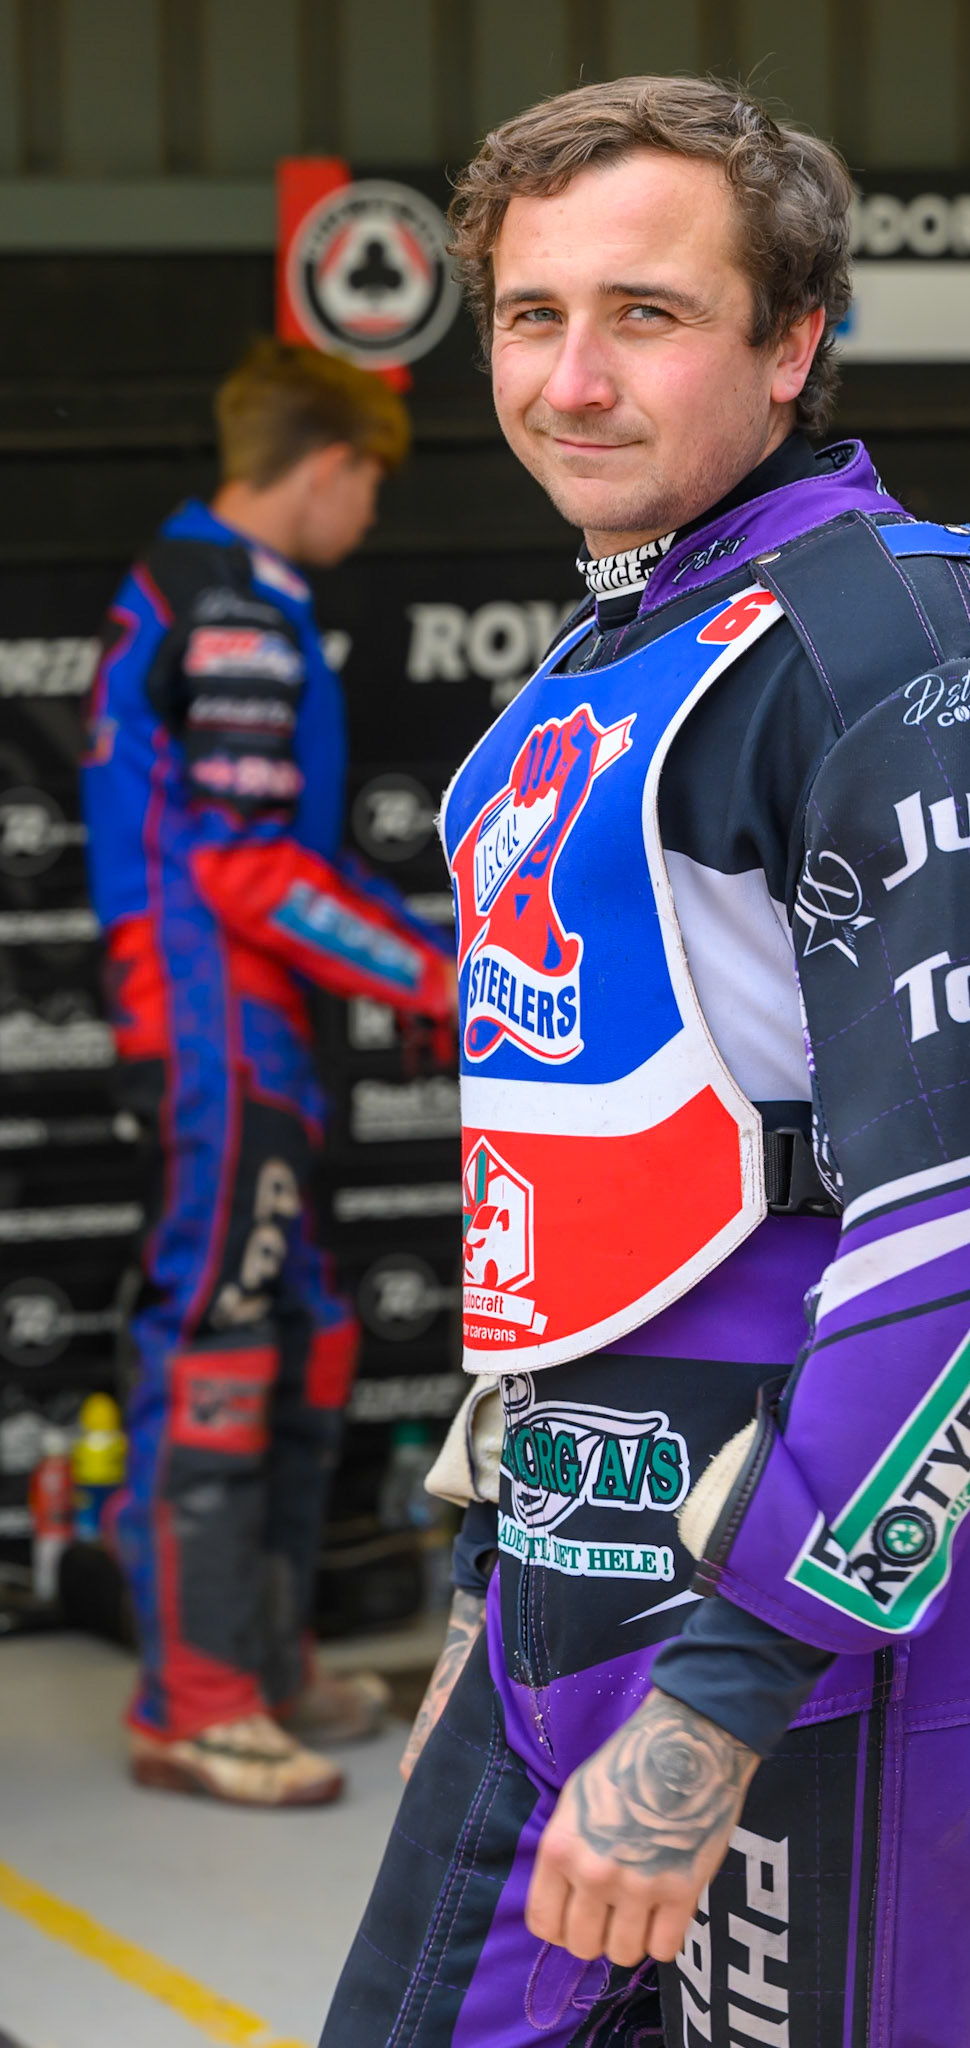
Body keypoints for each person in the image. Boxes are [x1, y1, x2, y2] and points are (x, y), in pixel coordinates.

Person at [323, 77, 970, 2047]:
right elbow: (594, 1197)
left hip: (814, 1658)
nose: (570, 377)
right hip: (560, 1595)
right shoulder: (620, 650)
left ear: (790, 344)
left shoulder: (909, 655)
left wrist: (711, 1703)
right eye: (531, 316)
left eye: (646, 314)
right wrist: (487, 1580)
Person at [81, 341, 459, 1807]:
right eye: (368, 487)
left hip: (243, 1031)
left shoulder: (204, 585)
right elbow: (245, 864)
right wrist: (429, 970)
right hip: (215, 1028)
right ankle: (197, 1698)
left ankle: (267, 1657)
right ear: (327, 466)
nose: (367, 518)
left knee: (299, 1329)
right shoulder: (231, 607)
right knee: (223, 1342)